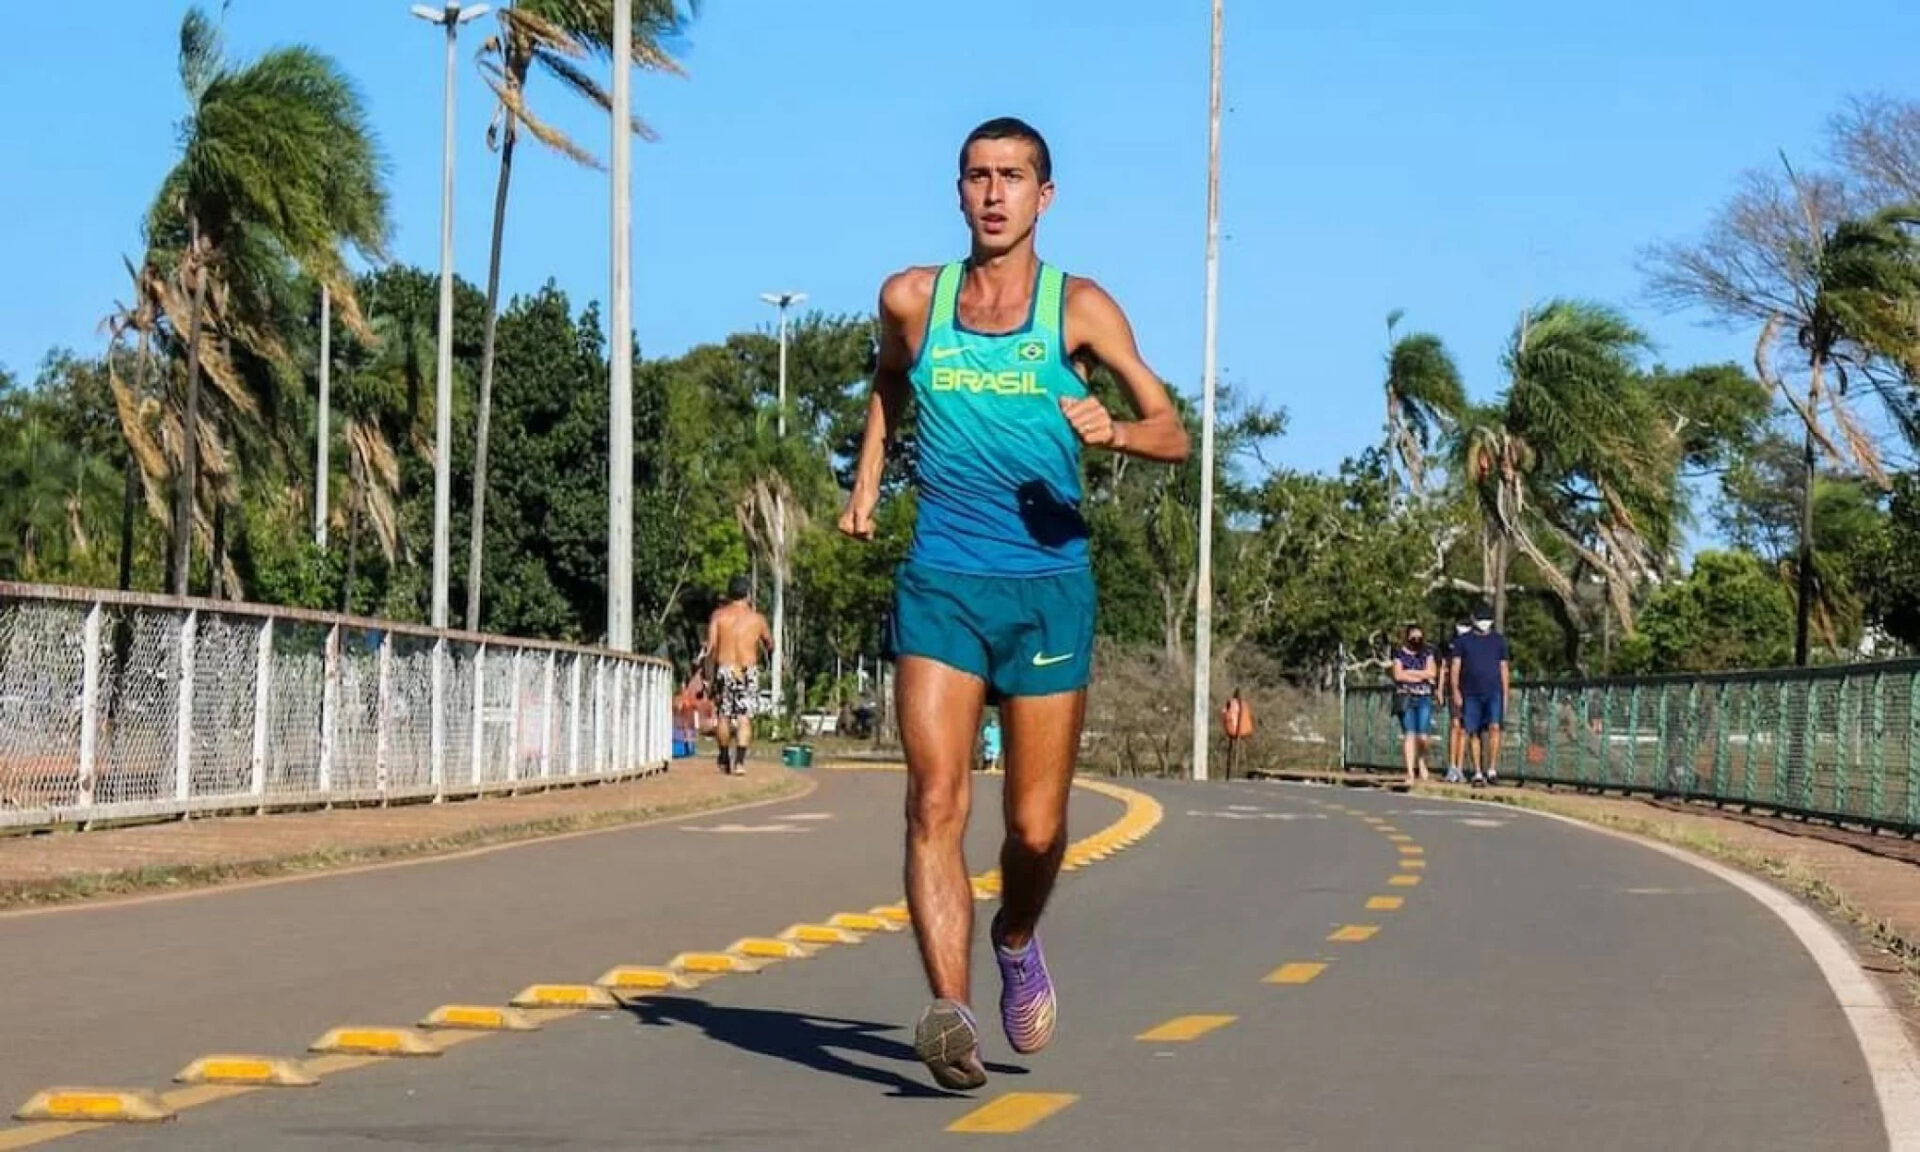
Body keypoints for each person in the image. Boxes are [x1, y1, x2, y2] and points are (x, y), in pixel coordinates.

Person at [838, 116, 1190, 1091]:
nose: (995, 193)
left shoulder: (1079, 310)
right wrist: (868, 484)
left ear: (1046, 196)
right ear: (958, 191)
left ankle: (1017, 933)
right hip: (943, 578)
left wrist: (1111, 429)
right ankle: (949, 1012)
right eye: (978, 176)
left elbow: (1174, 432)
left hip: (1048, 590)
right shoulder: (915, 299)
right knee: (936, 802)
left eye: (1014, 177)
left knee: (1035, 830)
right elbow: (887, 381)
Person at [697, 576, 771, 775]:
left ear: (729, 595)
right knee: (744, 717)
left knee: (724, 715)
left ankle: (723, 757)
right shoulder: (757, 619)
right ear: (747, 595)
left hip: (725, 668)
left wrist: (706, 673)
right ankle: (739, 762)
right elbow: (769, 643)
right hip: (748, 670)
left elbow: (710, 647)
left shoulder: (719, 616)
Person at [1449, 603, 1510, 787]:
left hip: (1493, 691)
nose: (1484, 623)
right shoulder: (1463, 641)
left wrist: (1505, 694)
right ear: (1473, 619)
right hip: (1471, 693)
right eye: (1481, 619)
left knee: (1494, 727)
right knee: (1473, 731)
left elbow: (1504, 668)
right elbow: (1455, 668)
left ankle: (1491, 768)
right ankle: (1477, 771)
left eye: (1487, 619)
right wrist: (1455, 691)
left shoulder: (1499, 641)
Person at [1390, 625, 1436, 783]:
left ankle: (1422, 761)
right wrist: (1420, 675)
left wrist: (1410, 672)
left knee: (1423, 736)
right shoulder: (1399, 653)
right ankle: (1410, 772)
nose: (1417, 640)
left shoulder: (1427, 653)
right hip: (1406, 697)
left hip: (1424, 696)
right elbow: (1398, 675)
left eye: (1419, 637)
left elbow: (1431, 673)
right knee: (1409, 734)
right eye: (1413, 637)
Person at [1439, 619, 1469, 784]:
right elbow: (1444, 667)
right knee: (1455, 725)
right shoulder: (1451, 645)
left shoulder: (1472, 644)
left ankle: (1460, 766)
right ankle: (1451, 767)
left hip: (1470, 689)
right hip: (1454, 689)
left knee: (1464, 729)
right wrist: (1440, 689)